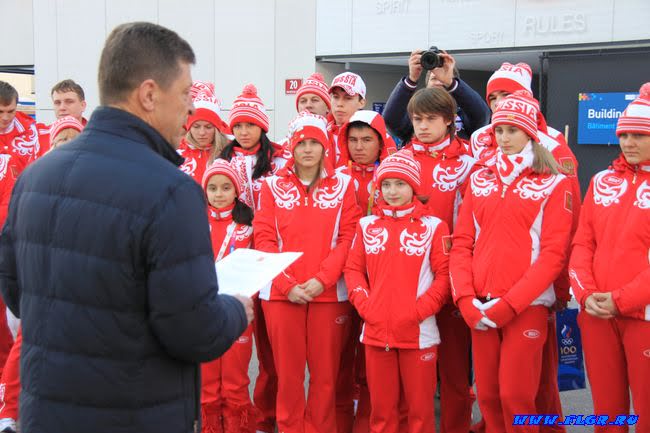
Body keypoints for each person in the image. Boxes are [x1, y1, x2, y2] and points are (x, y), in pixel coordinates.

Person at [0, 22, 253, 433]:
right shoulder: (172, 190)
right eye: (185, 94)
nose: (190, 110)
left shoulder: (35, 177)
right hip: (135, 411)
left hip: (47, 410)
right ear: (149, 94)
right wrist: (235, 311)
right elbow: (192, 331)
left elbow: (16, 292)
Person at [449, 91, 573, 433]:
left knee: (516, 397)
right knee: (489, 397)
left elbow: (553, 255)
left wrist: (511, 304)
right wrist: (465, 299)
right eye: (499, 130)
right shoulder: (479, 179)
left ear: (530, 133)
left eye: (512, 130)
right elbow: (462, 244)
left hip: (527, 306)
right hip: (480, 305)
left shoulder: (554, 183)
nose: (503, 138)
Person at [253, 114, 361, 433]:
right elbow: (264, 238)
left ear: (325, 147)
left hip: (329, 294)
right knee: (288, 376)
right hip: (281, 295)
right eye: (302, 143)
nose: (308, 149)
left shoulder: (344, 185)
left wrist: (322, 280)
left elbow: (348, 237)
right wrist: (286, 285)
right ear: (292, 147)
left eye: (315, 143)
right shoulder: (271, 186)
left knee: (325, 378)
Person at [345, 149, 450, 433]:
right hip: (376, 332)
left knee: (419, 415)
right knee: (382, 414)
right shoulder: (366, 225)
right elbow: (353, 270)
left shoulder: (435, 227)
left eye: (400, 184)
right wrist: (366, 307)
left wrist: (417, 312)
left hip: (419, 335)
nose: (392, 191)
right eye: (386, 184)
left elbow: (444, 277)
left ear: (414, 186)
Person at [569, 83, 650, 433]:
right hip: (596, 313)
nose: (628, 143)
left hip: (643, 317)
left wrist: (621, 300)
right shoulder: (601, 181)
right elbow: (582, 244)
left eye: (639, 135)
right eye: (624, 135)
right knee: (607, 414)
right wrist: (586, 294)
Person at [404, 87, 478, 433]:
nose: (422, 126)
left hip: (452, 278)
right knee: (409, 371)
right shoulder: (400, 160)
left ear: (449, 120)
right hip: (408, 280)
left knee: (454, 371)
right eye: (417, 119)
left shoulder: (469, 165)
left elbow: (473, 227)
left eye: (431, 119)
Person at [218, 83, 284, 433]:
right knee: (237, 345)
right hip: (237, 256)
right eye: (238, 125)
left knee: (271, 350)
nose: (243, 131)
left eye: (250, 124)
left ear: (262, 126)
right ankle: (240, 416)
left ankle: (267, 415)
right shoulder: (222, 159)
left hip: (270, 256)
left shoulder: (279, 160)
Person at [200, 159, 257, 433]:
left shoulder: (248, 227)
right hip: (203, 311)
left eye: (225, 187)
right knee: (207, 382)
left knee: (235, 380)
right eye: (212, 188)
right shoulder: (194, 225)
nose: (219, 194)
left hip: (238, 311)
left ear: (236, 190)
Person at [0, 80, 38, 384]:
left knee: (14, 315)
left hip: (18, 233)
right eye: (0, 112)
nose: (5, 118)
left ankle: (11, 383)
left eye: (10, 111)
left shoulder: (31, 132)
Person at [383, 49, 490, 143]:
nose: (439, 82)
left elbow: (482, 114)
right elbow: (390, 119)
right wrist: (411, 78)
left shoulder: (463, 115)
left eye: (443, 79)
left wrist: (450, 82)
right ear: (427, 84)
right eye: (434, 78)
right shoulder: (416, 115)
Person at [178, 81, 231, 184]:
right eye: (196, 127)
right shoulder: (176, 152)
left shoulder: (230, 153)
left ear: (216, 129)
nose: (202, 133)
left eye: (208, 127)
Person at [36, 79, 88, 156]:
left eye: (69, 102)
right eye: (57, 103)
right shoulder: (39, 137)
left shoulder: (96, 135)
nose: (62, 107)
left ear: (83, 105)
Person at [328, 72, 367, 167]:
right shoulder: (320, 132)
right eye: (335, 97)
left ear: (361, 103)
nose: (339, 104)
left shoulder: (376, 136)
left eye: (348, 98)